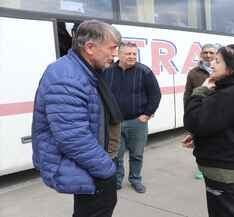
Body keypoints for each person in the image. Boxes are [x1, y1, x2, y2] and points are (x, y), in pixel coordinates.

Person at [31, 20, 122, 217]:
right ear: (90, 47)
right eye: (112, 48)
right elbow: (73, 137)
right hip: (90, 165)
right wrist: (106, 169)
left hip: (88, 163)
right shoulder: (68, 77)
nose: (115, 55)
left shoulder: (84, 69)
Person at [183, 44, 234, 217]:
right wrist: (198, 137)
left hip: (226, 173)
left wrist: (201, 89)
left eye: (217, 61)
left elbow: (193, 121)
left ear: (232, 68)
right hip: (231, 170)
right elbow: (223, 125)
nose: (211, 64)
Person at [103, 42, 161, 193]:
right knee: (116, 156)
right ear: (119, 54)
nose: (132, 56)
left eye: (134, 54)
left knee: (136, 155)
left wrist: (147, 114)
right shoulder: (107, 71)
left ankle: (135, 179)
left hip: (137, 122)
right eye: (128, 53)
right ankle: (116, 181)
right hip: (114, 123)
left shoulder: (144, 71)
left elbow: (155, 95)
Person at [183, 43, 218, 180]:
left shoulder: (222, 71)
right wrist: (188, 111)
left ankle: (216, 166)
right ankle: (201, 168)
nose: (208, 55)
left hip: (218, 110)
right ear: (201, 55)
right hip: (201, 111)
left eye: (211, 53)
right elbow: (187, 94)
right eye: (205, 53)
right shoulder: (193, 73)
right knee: (199, 141)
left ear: (216, 55)